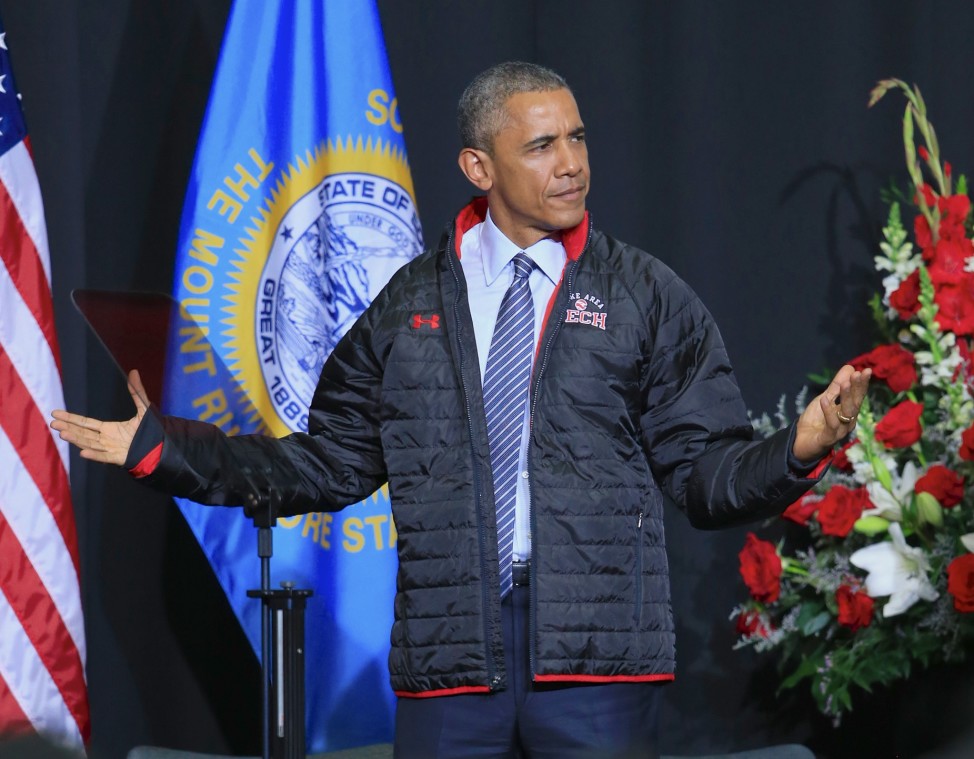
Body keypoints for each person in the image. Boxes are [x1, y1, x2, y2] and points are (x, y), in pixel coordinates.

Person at [52, 61, 870, 759]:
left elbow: (702, 474)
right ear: (479, 167)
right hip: (452, 667)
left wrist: (798, 445)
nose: (572, 164)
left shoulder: (645, 295)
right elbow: (324, 463)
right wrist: (167, 451)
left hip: (598, 669)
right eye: (542, 145)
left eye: (578, 138)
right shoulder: (409, 305)